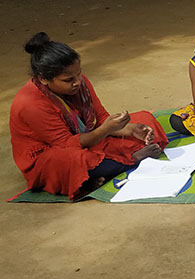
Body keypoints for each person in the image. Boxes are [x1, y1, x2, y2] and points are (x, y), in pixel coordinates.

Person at [9, 32, 168, 201]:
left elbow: (100, 118)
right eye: (68, 80)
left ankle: (104, 169)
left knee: (145, 120)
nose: (78, 82)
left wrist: (130, 130)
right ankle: (132, 160)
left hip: (89, 139)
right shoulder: (31, 104)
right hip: (52, 155)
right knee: (75, 160)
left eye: (79, 74)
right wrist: (106, 130)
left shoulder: (80, 82)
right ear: (43, 79)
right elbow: (66, 144)